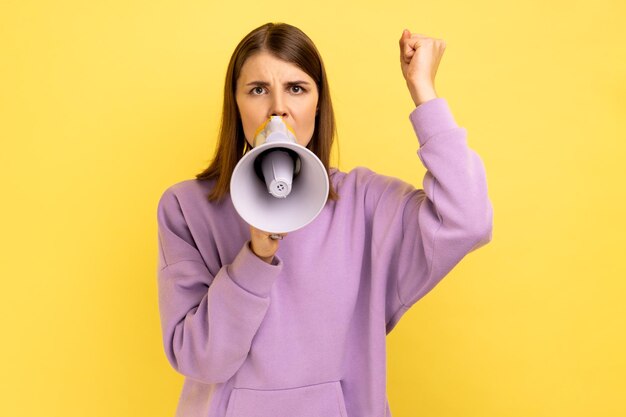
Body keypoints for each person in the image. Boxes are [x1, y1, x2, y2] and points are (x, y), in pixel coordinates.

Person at [156, 22, 493, 417]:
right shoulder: (185, 208)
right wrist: (255, 258)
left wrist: (425, 92)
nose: (278, 108)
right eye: (258, 90)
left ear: (318, 104)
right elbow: (200, 361)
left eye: (296, 89)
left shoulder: (366, 204)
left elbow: (467, 220)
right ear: (236, 104)